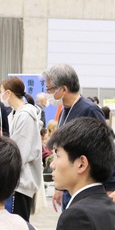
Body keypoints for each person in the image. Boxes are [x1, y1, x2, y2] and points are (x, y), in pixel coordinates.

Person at [43, 63, 107, 211]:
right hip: (69, 185)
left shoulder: (89, 110)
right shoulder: (64, 111)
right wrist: (60, 187)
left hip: (85, 187)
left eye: (49, 89)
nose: (47, 94)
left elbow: (105, 149)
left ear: (63, 89)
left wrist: (110, 187)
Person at [0, 77, 44, 221]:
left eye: (1, 92)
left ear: (8, 93)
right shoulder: (15, 114)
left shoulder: (25, 116)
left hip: (20, 184)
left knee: (16, 227)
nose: (0, 97)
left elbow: (18, 152)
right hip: (17, 183)